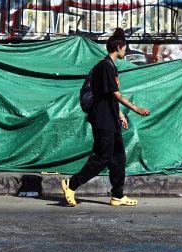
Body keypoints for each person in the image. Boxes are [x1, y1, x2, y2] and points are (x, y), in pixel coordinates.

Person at [61, 28, 150, 207]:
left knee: (119, 157)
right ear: (118, 47)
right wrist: (135, 108)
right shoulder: (105, 66)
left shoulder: (110, 66)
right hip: (102, 120)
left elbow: (107, 94)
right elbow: (115, 94)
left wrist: (120, 115)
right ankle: (71, 184)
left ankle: (117, 195)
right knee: (102, 157)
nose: (126, 51)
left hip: (111, 118)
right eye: (125, 48)